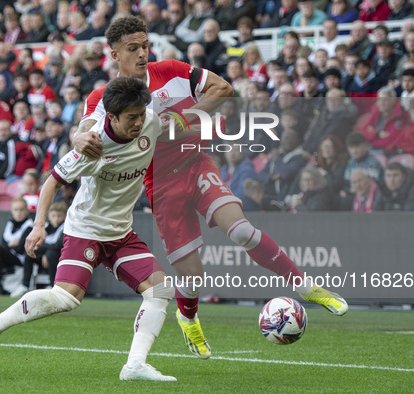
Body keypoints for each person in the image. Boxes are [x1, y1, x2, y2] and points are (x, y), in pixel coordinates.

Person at [74, 16, 348, 361]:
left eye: (145, 45)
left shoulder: (172, 70)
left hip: (195, 163)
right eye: (133, 48)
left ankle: (308, 287)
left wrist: (185, 120)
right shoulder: (103, 97)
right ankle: (188, 317)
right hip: (159, 183)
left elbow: (222, 89)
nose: (143, 53)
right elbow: (82, 129)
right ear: (114, 54)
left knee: (242, 230)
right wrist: (81, 137)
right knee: (191, 276)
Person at [0, 77, 178, 381]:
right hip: (86, 229)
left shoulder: (150, 121)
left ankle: (134, 366)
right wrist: (38, 225)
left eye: (141, 114)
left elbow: (178, 129)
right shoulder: (92, 146)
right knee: (67, 298)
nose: (138, 122)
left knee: (161, 290)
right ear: (112, 117)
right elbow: (52, 181)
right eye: (131, 117)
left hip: (121, 232)